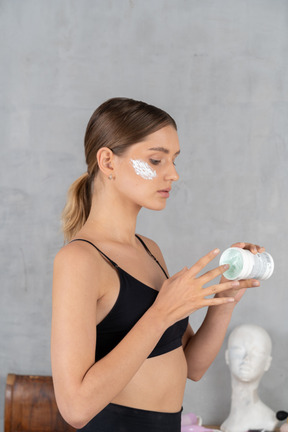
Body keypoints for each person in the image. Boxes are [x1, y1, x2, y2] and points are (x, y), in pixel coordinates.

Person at [51, 97, 264, 432]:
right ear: (108, 161)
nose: (174, 174)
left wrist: (225, 300)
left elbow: (191, 366)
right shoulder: (79, 260)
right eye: (156, 160)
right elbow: (75, 408)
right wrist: (162, 312)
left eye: (174, 160)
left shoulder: (149, 250)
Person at [221, 324, 277, 432]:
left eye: (257, 353)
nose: (246, 359)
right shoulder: (227, 424)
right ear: (227, 356)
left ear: (267, 363)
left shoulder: (268, 420)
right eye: (238, 350)